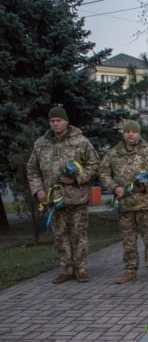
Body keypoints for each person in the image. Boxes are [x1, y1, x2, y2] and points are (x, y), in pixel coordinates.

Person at [27, 106, 100, 284]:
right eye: (52, 121)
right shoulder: (41, 144)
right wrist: (39, 190)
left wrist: (78, 179)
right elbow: (32, 169)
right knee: (60, 236)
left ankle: (81, 269)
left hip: (77, 198)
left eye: (59, 120)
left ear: (66, 122)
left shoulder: (81, 142)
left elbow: (95, 164)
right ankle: (66, 269)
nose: (55, 124)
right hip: (54, 199)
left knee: (78, 234)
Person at [98, 120, 148, 284]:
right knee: (128, 240)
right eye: (128, 131)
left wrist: (147, 186)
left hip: (146, 204)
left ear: (139, 134)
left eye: (134, 132)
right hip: (125, 205)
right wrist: (114, 187)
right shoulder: (113, 153)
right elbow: (103, 173)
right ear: (123, 134)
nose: (131, 134)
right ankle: (130, 270)